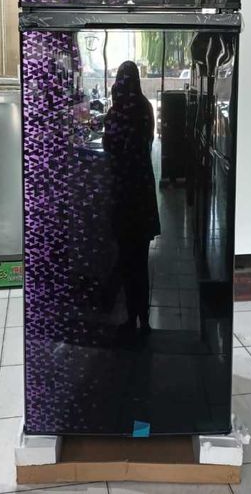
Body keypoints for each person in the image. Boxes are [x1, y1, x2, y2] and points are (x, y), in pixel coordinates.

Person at [103, 61, 160, 335]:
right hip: (143, 194)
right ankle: (144, 319)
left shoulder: (117, 112)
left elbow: (111, 146)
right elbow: (146, 141)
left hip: (123, 195)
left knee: (126, 260)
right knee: (141, 261)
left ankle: (130, 318)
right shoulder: (144, 107)